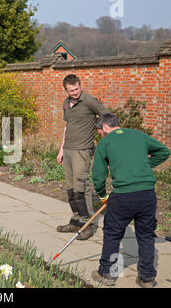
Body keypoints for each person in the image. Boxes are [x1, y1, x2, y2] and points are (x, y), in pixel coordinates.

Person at [91, 113, 170, 288]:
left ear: (104, 127)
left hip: (123, 196)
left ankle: (107, 274)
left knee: (112, 234)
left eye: (99, 132)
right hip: (147, 194)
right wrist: (141, 166)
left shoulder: (105, 142)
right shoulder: (138, 134)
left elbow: (98, 174)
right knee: (146, 235)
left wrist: (103, 195)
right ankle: (147, 278)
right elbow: (164, 151)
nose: (100, 136)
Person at [56, 74, 110, 240]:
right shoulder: (66, 103)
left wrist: (104, 136)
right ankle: (75, 220)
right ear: (66, 90)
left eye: (77, 88)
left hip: (83, 150)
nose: (75, 92)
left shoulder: (89, 101)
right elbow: (67, 126)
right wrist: (61, 149)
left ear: (80, 86)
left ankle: (87, 225)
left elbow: (107, 116)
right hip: (69, 149)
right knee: (71, 188)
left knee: (81, 185)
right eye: (71, 90)